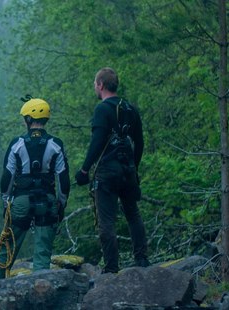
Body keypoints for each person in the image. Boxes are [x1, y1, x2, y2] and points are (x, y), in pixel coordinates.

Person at [0, 97, 70, 281]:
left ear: (29, 120)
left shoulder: (17, 144)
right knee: (42, 255)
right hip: (47, 202)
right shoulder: (56, 144)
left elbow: (7, 177)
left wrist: (6, 202)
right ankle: (40, 292)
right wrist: (61, 204)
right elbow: (63, 180)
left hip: (21, 202)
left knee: (6, 251)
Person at [75, 67, 150, 273]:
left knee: (106, 221)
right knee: (133, 214)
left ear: (100, 85)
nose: (95, 88)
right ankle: (142, 260)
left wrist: (84, 170)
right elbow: (140, 142)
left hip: (107, 171)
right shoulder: (130, 109)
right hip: (127, 169)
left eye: (95, 84)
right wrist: (134, 167)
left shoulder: (102, 109)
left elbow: (98, 141)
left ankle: (111, 269)